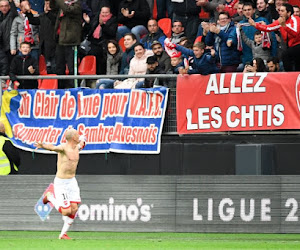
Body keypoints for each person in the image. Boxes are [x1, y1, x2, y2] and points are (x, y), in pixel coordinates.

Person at [34, 128, 86, 240]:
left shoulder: (77, 147)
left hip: (72, 181)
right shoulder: (63, 148)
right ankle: (50, 197)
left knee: (74, 209)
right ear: (73, 138)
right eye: (77, 135)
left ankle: (63, 234)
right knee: (66, 211)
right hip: (61, 182)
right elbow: (52, 148)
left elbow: (82, 143)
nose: (79, 136)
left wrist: (84, 139)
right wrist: (42, 145)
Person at [248, 3, 300, 71]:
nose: (280, 13)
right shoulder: (280, 21)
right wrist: (255, 25)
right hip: (290, 46)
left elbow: (296, 33)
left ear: (289, 13)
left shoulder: (295, 19)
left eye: (282, 11)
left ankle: (288, 74)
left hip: (298, 44)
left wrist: (284, 26)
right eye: (279, 11)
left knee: (286, 55)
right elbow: (268, 28)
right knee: (294, 61)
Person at [50, 0, 82, 89]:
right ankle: (61, 90)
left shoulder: (77, 4)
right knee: (59, 68)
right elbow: (52, 7)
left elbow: (67, 10)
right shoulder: (62, 4)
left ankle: (74, 89)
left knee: (72, 68)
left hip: (71, 41)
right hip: (60, 41)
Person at [81, 5, 117, 75]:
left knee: (96, 53)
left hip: (104, 42)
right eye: (103, 12)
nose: (104, 14)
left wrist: (103, 25)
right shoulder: (96, 18)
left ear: (110, 13)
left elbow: (112, 33)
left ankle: (97, 74)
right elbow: (88, 31)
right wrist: (87, 23)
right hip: (92, 41)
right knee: (81, 50)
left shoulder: (113, 20)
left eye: (106, 12)